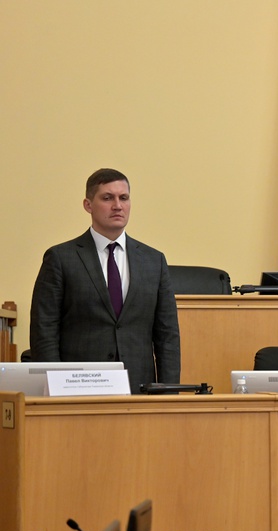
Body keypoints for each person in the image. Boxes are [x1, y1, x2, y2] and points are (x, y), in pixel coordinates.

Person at [30, 168, 181, 393]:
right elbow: (44, 330)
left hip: (139, 389)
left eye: (124, 198)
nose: (118, 205)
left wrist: (169, 394)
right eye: (108, 198)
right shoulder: (61, 258)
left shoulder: (154, 261)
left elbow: (167, 335)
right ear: (88, 205)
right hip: (78, 388)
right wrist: (55, 389)